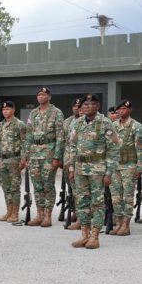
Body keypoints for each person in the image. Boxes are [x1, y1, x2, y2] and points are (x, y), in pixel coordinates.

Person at [66, 93, 119, 249]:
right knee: (81, 202)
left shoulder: (105, 123)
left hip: (98, 169)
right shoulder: (77, 123)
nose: (87, 107)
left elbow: (113, 149)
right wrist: (71, 167)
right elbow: (72, 147)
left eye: (91, 104)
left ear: (98, 106)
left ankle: (95, 236)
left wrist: (109, 172)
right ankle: (85, 234)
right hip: (80, 169)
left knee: (97, 202)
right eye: (85, 105)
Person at [20, 87, 64, 227]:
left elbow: (60, 137)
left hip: (49, 153)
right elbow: (28, 135)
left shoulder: (56, 113)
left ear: (49, 97)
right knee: (37, 185)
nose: (40, 96)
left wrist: (57, 156)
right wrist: (25, 155)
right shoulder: (33, 113)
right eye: (39, 94)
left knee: (48, 185)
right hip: (34, 153)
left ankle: (48, 216)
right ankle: (39, 214)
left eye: (43, 94)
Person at [108, 100, 142, 235]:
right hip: (115, 166)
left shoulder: (136, 126)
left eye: (124, 109)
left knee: (127, 195)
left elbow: (140, 149)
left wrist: (139, 167)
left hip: (129, 165)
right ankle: (119, 222)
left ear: (130, 110)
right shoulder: (112, 126)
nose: (121, 111)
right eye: (119, 109)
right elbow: (108, 145)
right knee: (116, 196)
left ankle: (126, 225)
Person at [0, 101, 27, 223]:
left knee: (14, 187)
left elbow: (25, 143)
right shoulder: (1, 125)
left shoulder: (19, 124)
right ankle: (8, 211)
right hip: (3, 159)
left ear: (13, 110)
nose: (5, 112)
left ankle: (15, 213)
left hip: (14, 159)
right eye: (3, 110)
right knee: (5, 186)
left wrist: (23, 159)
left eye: (8, 109)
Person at [61, 98, 83, 229]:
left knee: (80, 191)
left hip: (81, 162)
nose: (77, 108)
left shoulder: (88, 123)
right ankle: (76, 212)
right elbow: (64, 141)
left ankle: (82, 218)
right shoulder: (67, 122)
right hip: (68, 159)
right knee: (73, 190)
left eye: (79, 106)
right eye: (75, 106)